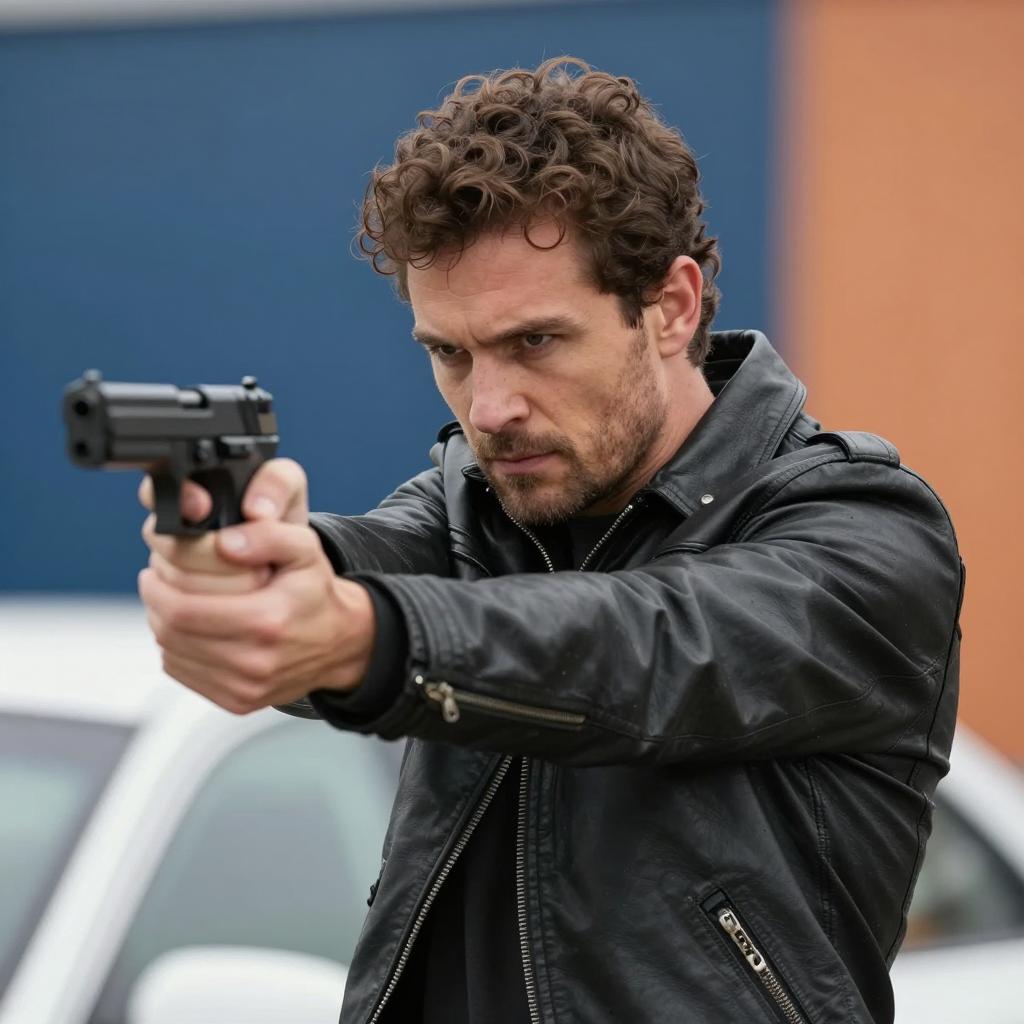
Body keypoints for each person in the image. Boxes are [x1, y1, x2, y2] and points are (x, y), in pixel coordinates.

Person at [137, 58, 963, 1024]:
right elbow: (369, 561)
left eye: (534, 341)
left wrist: (366, 636)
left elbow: (641, 644)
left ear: (671, 307)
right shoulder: (477, 506)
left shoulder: (865, 529)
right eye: (450, 353)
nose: (489, 408)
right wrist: (257, 571)